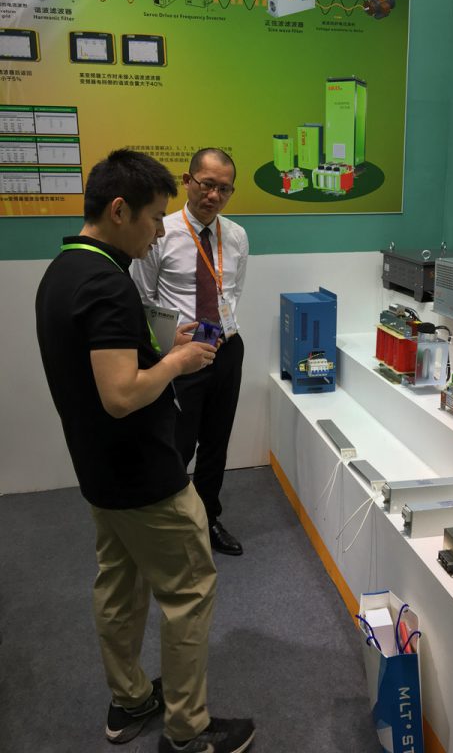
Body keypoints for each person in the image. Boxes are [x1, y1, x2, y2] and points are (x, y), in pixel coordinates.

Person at [35, 148, 255, 753]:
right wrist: (178, 361)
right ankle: (189, 731)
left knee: (119, 584)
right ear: (119, 210)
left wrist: (160, 347)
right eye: (155, 216)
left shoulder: (64, 270)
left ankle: (130, 699)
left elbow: (107, 366)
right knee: (190, 590)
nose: (160, 231)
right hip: (141, 471)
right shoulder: (108, 284)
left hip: (99, 470)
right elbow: (121, 394)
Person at [131, 148, 249, 556]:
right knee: (176, 444)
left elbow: (233, 291)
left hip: (226, 349)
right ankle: (168, 522)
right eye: (206, 184)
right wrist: (169, 350)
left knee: (216, 442)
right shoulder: (160, 231)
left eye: (223, 189)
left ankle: (208, 517)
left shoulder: (236, 236)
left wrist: (222, 333)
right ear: (187, 181)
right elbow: (143, 299)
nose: (213, 195)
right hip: (180, 356)